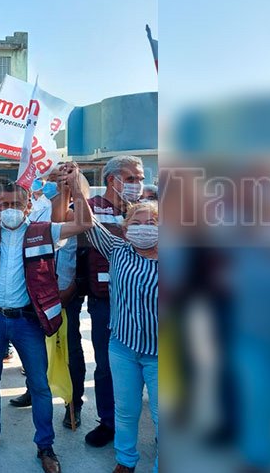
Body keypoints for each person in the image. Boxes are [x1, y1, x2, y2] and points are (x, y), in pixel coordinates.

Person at [0, 163, 93, 473]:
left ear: (28, 207)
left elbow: (84, 223)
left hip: (27, 322)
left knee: (39, 385)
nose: (11, 209)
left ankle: (45, 446)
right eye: (5, 204)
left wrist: (76, 186)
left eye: (17, 204)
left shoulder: (43, 231)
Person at [70, 155, 146, 447]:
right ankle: (108, 422)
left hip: (146, 301)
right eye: (131, 179)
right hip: (104, 300)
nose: (138, 185)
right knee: (106, 364)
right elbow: (73, 234)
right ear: (112, 180)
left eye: (140, 179)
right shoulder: (91, 208)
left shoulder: (147, 210)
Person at [84, 201, 159, 473]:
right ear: (125, 230)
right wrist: (76, 187)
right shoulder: (117, 250)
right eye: (136, 223)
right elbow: (88, 223)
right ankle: (125, 460)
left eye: (151, 223)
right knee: (126, 411)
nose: (144, 229)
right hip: (123, 348)